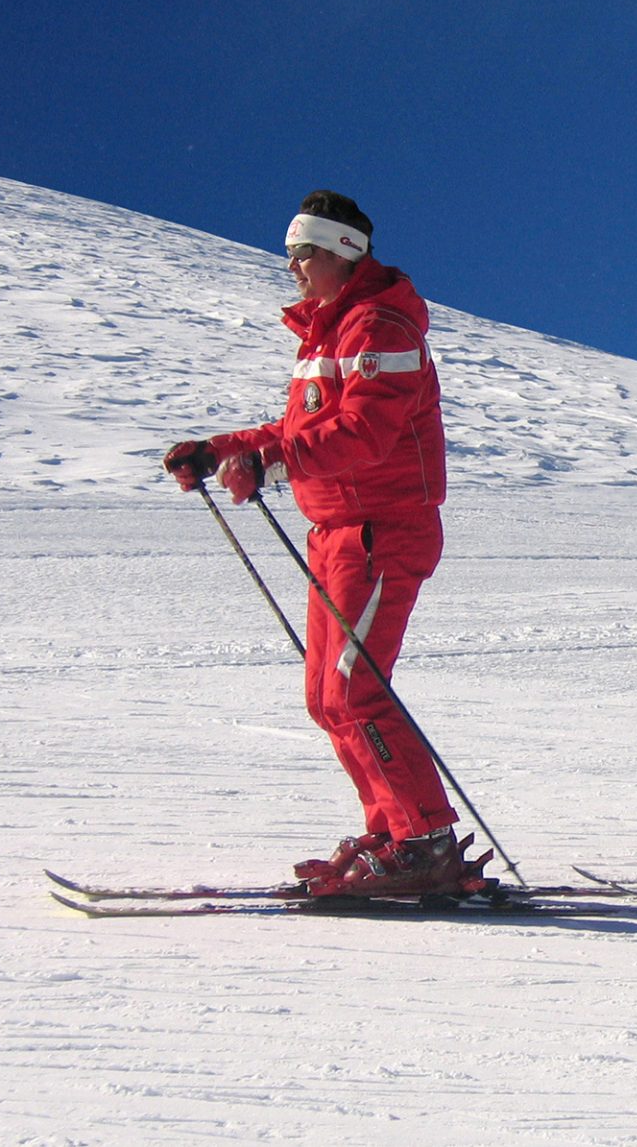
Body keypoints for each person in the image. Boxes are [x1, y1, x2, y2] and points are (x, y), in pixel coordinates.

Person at [163, 190, 490, 899]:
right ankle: (392, 828)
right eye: (290, 255)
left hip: (382, 528)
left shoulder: (381, 325)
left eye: (303, 253)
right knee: (326, 698)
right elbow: (301, 433)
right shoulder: (326, 335)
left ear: (344, 251)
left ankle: (426, 843)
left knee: (355, 689)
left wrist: (269, 464)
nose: (292, 267)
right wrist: (223, 447)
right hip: (336, 533)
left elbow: (364, 433)